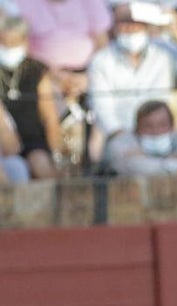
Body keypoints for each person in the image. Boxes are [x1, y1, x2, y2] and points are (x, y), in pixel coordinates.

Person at [87, 1, 177, 151]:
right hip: (125, 137)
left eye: (136, 23)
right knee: (138, 164)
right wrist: (127, 142)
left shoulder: (161, 51)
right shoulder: (102, 60)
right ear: (115, 26)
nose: (131, 28)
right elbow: (103, 111)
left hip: (163, 133)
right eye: (124, 23)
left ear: (146, 25)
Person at [0, 15, 60, 178]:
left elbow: (50, 117)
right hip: (4, 142)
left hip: (32, 139)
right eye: (4, 43)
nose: (8, 48)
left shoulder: (36, 70)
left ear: (24, 42)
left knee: (41, 166)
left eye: (14, 43)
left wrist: (55, 154)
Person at [15, 0, 110, 102]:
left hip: (88, 75)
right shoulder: (22, 3)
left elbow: (103, 45)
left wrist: (88, 77)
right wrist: (55, 78)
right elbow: (20, 47)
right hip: (43, 78)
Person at [104, 98, 177, 175]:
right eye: (148, 126)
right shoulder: (120, 143)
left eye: (162, 125)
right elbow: (139, 168)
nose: (156, 131)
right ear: (136, 129)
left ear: (172, 126)